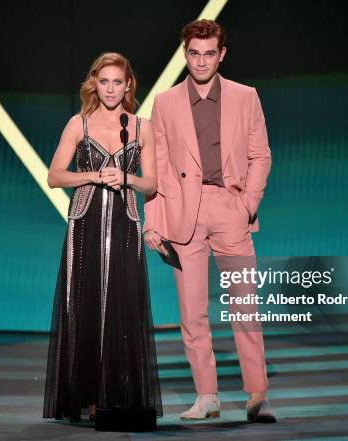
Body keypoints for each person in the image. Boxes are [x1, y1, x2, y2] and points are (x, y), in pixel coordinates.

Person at [143, 20, 275, 423]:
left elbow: (260, 155)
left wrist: (247, 204)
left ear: (222, 54)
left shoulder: (245, 96)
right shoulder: (165, 103)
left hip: (230, 209)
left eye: (209, 53)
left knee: (244, 305)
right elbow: (157, 165)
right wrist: (153, 220)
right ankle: (207, 396)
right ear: (186, 54)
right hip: (185, 213)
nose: (201, 61)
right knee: (192, 311)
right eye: (194, 53)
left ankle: (257, 395)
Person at [43, 52, 162, 422]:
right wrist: (94, 176)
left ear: (129, 85)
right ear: (95, 83)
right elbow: (55, 175)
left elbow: (152, 184)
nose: (111, 89)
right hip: (85, 222)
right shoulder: (78, 124)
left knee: (122, 306)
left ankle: (117, 393)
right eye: (104, 81)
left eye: (118, 82)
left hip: (125, 224)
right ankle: (86, 394)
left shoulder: (142, 127)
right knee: (86, 303)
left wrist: (126, 178)